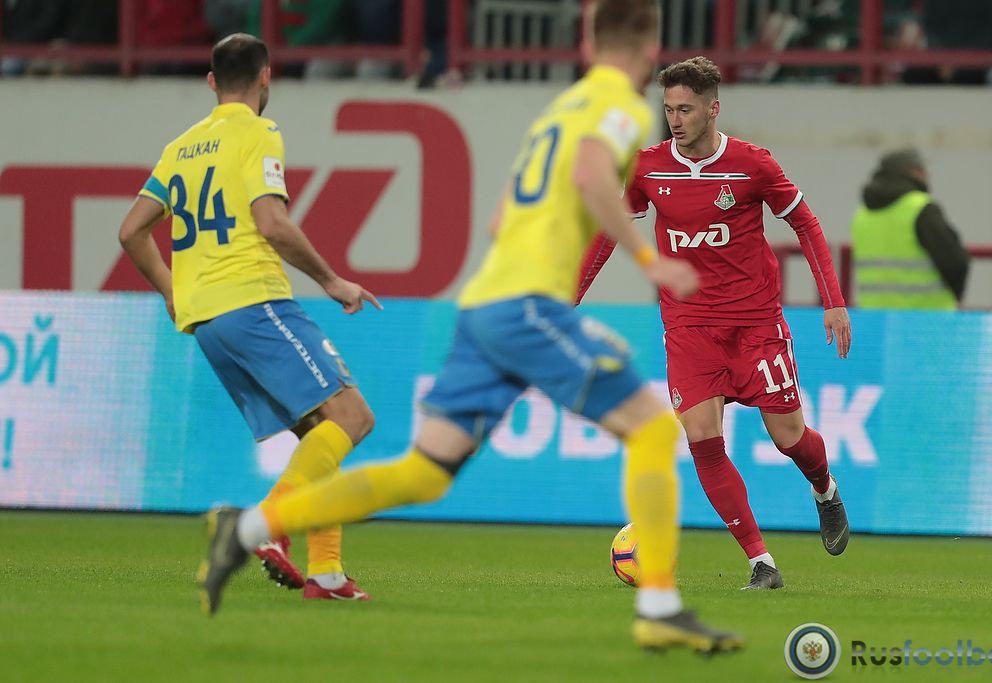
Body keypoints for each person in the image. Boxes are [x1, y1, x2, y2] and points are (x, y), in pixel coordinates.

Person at [199, 0, 745, 655]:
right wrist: (650, 260)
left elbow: (499, 219)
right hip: (527, 305)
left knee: (424, 473)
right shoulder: (621, 107)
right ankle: (659, 607)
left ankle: (247, 528)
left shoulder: (561, 108)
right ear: (651, 47)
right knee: (654, 429)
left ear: (586, 42)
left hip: (484, 304)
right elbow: (590, 173)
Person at [118, 33, 382, 604]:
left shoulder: (180, 148)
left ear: (212, 82)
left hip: (208, 321)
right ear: (266, 78)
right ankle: (261, 526)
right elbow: (272, 224)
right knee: (353, 417)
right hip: (254, 300)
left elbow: (131, 230)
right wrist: (332, 281)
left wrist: (171, 290)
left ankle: (327, 573)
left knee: (321, 434)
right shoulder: (259, 133)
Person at [576, 57, 852, 591]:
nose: (675, 120)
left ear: (712, 109)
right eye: (669, 109)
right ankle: (761, 563)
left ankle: (824, 488)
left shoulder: (752, 165)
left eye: (685, 109)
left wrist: (833, 301)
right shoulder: (649, 168)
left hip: (755, 323)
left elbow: (806, 223)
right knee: (702, 437)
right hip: (689, 326)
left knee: (788, 437)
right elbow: (607, 234)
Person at [851, 148, 969, 309]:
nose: (926, 174)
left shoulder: (862, 214)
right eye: (920, 169)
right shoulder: (920, 208)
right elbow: (954, 261)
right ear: (909, 171)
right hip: (924, 317)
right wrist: (958, 293)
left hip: (875, 316)